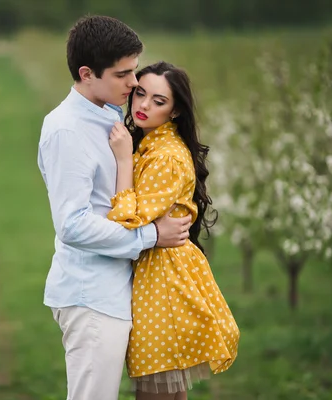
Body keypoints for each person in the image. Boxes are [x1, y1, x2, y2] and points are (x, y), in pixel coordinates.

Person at [37, 16, 193, 400]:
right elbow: (72, 225)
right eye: (123, 74)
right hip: (91, 296)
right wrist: (151, 235)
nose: (134, 83)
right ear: (87, 73)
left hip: (119, 290)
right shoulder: (67, 130)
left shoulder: (107, 114)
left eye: (134, 71)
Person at [107, 61, 240, 400]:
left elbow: (127, 221)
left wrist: (123, 161)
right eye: (140, 94)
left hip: (163, 286)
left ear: (176, 110)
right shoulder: (154, 145)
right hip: (165, 276)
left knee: (155, 392)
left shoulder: (165, 157)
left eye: (158, 100)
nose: (143, 106)